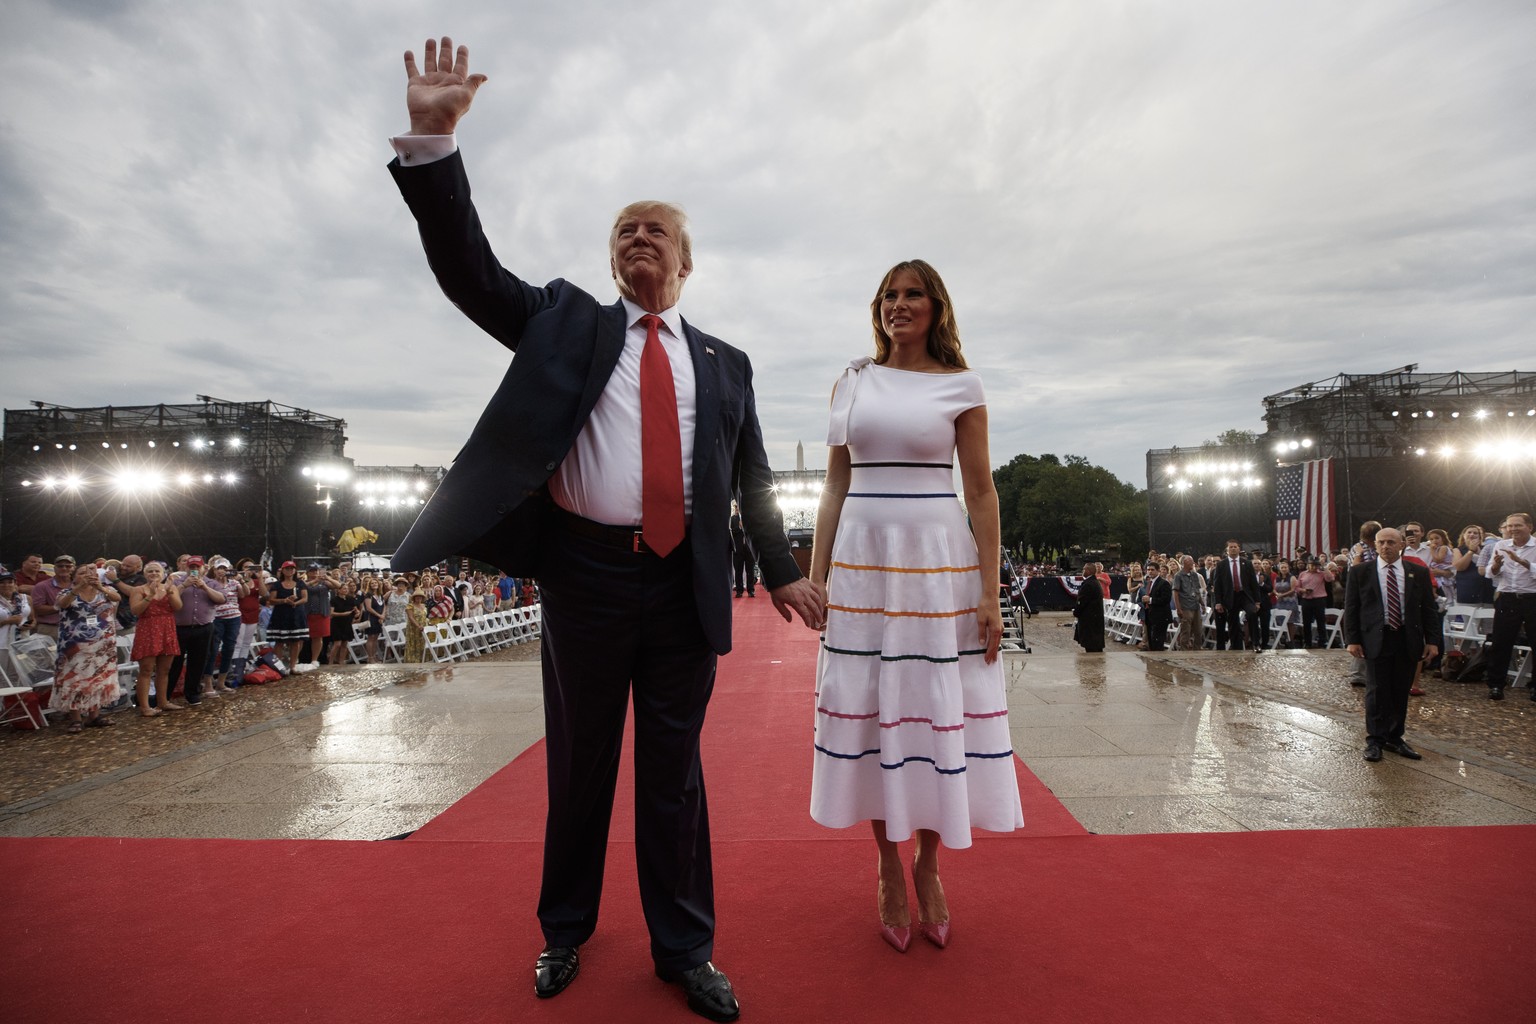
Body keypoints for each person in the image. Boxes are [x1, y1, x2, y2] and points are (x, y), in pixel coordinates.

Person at [387, 37, 822, 1023]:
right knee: (581, 763)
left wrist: (785, 567)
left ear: (686, 260)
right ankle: (565, 930)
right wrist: (432, 144)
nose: (639, 239)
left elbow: (749, 479)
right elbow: (469, 272)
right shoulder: (567, 322)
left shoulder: (729, 362)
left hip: (684, 584)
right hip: (583, 574)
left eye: (657, 230)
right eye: (625, 228)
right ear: (610, 253)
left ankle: (686, 948)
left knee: (674, 774)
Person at [808, 258, 1021, 956]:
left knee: (932, 710)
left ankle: (928, 865)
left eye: (913, 296)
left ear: (936, 309)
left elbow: (982, 492)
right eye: (889, 296)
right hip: (866, 567)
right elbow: (834, 488)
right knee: (871, 706)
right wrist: (818, 577)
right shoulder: (853, 380)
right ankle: (885, 865)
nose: (899, 305)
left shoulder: (963, 384)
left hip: (937, 566)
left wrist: (989, 594)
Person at [1342, 527, 1441, 761]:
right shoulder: (1360, 572)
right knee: (1377, 690)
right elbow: (1352, 608)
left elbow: (1429, 609)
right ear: (1375, 545)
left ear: (1401, 545)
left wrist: (1433, 641)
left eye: (1390, 542)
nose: (1386, 546)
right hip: (1376, 638)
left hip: (1407, 637)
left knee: (1400, 689)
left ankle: (1395, 738)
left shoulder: (1417, 572)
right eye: (1381, 542)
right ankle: (1375, 739)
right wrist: (1352, 640)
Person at [50, 564, 122, 733]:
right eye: (82, 573)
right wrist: (79, 587)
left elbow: (117, 597)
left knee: (97, 679)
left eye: (91, 573)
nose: (87, 575)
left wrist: (100, 587)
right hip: (75, 647)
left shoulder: (105, 590)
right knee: (75, 680)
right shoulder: (66, 593)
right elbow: (63, 604)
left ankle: (94, 715)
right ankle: (75, 718)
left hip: (102, 645)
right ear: (73, 577)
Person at [1482, 513, 1536, 701]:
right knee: (1501, 643)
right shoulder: (1500, 545)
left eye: (1517, 525)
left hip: (1532, 598)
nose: (1512, 529)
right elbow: (1490, 573)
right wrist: (1496, 565)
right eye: (1509, 526)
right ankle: (1496, 685)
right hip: (1508, 598)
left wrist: (1522, 562)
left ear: (1529, 527)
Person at [128, 562, 183, 714]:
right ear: (145, 574)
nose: (153, 574)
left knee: (164, 669)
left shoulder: (170, 587)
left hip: (167, 628)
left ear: (163, 573)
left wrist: (171, 590)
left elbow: (178, 607)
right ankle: (145, 707)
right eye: (150, 571)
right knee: (146, 669)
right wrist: (151, 595)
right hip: (148, 630)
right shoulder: (138, 589)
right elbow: (135, 610)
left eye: (157, 571)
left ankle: (163, 702)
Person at [1211, 540, 1261, 650]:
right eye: (1231, 547)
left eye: (1235, 547)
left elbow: (1254, 583)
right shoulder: (1221, 565)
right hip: (1230, 596)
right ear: (1227, 550)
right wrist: (1218, 602)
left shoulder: (1247, 563)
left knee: (1252, 613)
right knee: (1233, 621)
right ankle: (1236, 646)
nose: (1233, 549)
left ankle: (1256, 644)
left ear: (1238, 549)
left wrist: (1257, 601)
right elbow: (1217, 585)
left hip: (1245, 595)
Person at [265, 561, 308, 668]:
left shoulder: (300, 583)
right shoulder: (277, 585)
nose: (290, 571)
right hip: (281, 615)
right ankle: (279, 667)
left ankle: (292, 666)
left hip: (296, 614)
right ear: (283, 570)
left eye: (292, 569)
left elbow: (305, 598)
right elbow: (272, 600)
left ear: (295, 570)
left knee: (296, 641)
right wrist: (285, 601)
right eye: (287, 569)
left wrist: (295, 603)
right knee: (279, 641)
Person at [1170, 555, 1205, 651]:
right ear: (1184, 563)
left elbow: (1197, 590)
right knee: (1186, 630)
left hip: (1195, 605)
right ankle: (1184, 650)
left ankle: (1197, 648)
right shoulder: (1178, 576)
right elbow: (1175, 592)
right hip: (1185, 606)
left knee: (1198, 629)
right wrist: (1178, 608)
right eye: (1191, 561)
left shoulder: (1194, 575)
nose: (1193, 563)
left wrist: (1202, 604)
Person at [1141, 561, 1174, 651]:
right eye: (1148, 570)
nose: (1150, 572)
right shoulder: (1149, 583)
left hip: (1160, 616)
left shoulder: (1164, 583)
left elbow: (1166, 599)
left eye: (1152, 570)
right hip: (1150, 615)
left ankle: (1159, 661)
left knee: (1158, 642)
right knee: (1151, 641)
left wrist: (1150, 600)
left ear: (1158, 571)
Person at [1073, 570, 1106, 652]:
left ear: (1088, 571)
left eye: (1084, 569)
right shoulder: (1094, 582)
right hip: (1094, 616)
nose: (1083, 570)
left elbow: (1082, 600)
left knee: (1091, 645)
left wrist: (1076, 612)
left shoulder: (1088, 584)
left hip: (1089, 617)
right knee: (1095, 644)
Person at [728, 503, 757, 598]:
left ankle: (751, 590)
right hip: (738, 549)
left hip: (749, 549)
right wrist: (740, 527)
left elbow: (753, 531)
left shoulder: (749, 518)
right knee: (738, 570)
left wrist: (745, 526)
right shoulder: (732, 519)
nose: (738, 510)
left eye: (739, 508)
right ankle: (739, 590)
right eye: (736, 508)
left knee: (750, 570)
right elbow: (732, 531)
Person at [403, 589, 428, 663]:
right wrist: (418, 626)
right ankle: (412, 660)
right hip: (413, 628)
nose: (419, 598)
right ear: (414, 598)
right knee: (413, 644)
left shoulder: (424, 606)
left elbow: (425, 617)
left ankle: (422, 659)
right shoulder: (410, 606)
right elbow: (411, 617)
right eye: (417, 597)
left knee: (422, 643)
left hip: (423, 627)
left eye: (420, 597)